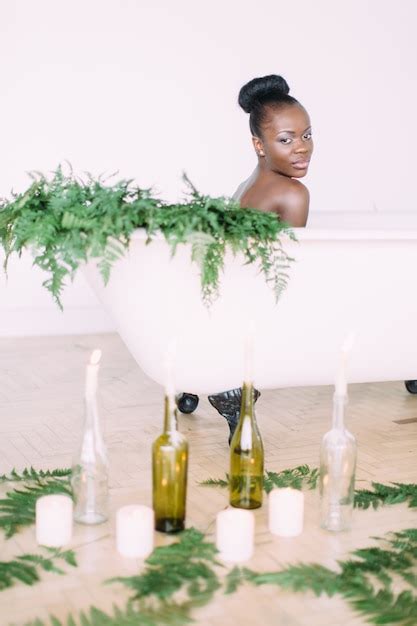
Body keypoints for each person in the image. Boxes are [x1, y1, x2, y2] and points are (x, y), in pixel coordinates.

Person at [233, 74, 313, 227]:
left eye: (307, 135)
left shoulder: (243, 188)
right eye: (285, 140)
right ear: (259, 146)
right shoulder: (293, 193)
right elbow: (291, 251)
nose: (303, 148)